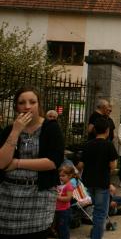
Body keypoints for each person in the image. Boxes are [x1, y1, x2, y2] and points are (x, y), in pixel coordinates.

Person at [0, 86, 65, 239]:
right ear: (16, 106)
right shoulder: (10, 129)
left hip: (39, 195)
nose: (27, 106)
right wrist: (16, 131)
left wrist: (17, 163)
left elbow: (53, 162)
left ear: (39, 105)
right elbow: (2, 163)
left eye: (32, 102)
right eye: (22, 103)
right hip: (8, 195)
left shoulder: (51, 128)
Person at [78, 117, 118, 239]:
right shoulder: (109, 145)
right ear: (107, 130)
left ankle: (94, 232)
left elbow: (80, 165)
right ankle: (96, 236)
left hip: (88, 182)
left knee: (94, 210)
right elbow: (112, 166)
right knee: (100, 213)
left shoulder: (87, 144)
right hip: (102, 182)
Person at [55, 165, 76, 239]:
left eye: (63, 176)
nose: (61, 177)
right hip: (58, 210)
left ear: (69, 176)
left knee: (64, 230)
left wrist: (57, 197)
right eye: (60, 176)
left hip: (64, 211)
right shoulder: (60, 185)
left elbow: (68, 198)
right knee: (59, 229)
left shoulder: (68, 186)